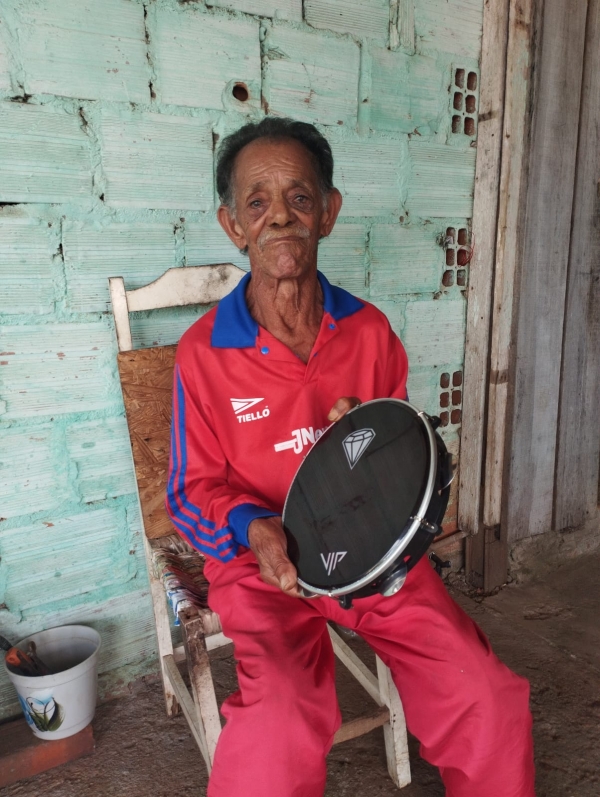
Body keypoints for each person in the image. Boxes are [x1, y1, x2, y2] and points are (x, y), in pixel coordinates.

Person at [166, 117, 535, 797]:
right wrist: (252, 527)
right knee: (278, 724)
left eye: (300, 198)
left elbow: (406, 464)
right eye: (257, 202)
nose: (281, 216)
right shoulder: (203, 352)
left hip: (371, 551)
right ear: (233, 225)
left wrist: (376, 441)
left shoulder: (368, 332)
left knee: (484, 694)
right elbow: (190, 490)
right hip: (261, 566)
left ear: (328, 213)